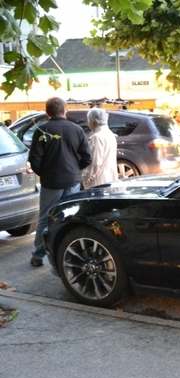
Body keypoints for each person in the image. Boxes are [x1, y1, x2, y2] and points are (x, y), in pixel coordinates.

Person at [27, 97, 92, 267]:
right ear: (64, 111)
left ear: (47, 112)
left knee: (45, 218)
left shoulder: (41, 131)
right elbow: (87, 157)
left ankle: (38, 256)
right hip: (73, 181)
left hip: (51, 183)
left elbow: (34, 160)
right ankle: (73, 253)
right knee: (70, 218)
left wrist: (45, 173)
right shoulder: (76, 130)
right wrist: (74, 169)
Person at [81, 108, 118, 189]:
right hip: (109, 178)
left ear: (93, 122)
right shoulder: (110, 134)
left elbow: (95, 162)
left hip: (98, 181)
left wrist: (86, 178)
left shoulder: (96, 137)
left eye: (88, 121)